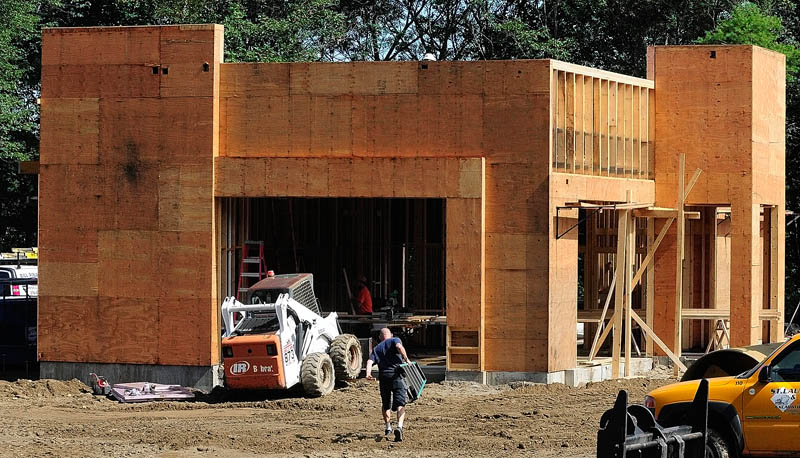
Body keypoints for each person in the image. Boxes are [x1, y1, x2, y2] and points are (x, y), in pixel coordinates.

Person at [365, 328, 411, 442]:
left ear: (380, 338)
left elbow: (369, 361)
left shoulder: (376, 348)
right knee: (400, 403)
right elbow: (399, 347)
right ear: (391, 334)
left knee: (386, 404)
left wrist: (368, 373)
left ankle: (388, 427)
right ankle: (399, 427)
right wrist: (406, 359)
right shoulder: (395, 340)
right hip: (396, 376)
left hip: (383, 378)